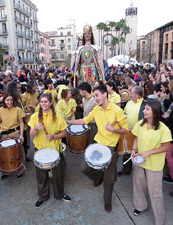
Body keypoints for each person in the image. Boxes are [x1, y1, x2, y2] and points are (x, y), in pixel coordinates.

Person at [67, 85, 128, 213]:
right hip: (98, 143)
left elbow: (125, 130)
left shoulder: (117, 110)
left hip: (111, 147)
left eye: (97, 96)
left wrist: (113, 130)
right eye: (94, 96)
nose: (95, 99)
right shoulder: (96, 110)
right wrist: (68, 122)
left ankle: (107, 201)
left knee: (109, 178)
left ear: (105, 94)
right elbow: (85, 120)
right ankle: (97, 177)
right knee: (84, 167)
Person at [131, 100, 172, 225]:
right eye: (144, 108)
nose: (144, 111)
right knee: (138, 186)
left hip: (154, 165)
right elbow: (136, 138)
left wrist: (148, 153)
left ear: (155, 112)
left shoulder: (163, 129)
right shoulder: (140, 124)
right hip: (140, 162)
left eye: (147, 109)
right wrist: (133, 149)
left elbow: (166, 147)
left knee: (155, 193)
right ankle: (140, 206)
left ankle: (159, 220)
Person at [28, 93, 71, 208]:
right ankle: (43, 196)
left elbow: (64, 132)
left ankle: (60, 194)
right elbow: (31, 135)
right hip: (40, 151)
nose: (43, 104)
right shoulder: (35, 117)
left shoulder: (58, 116)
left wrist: (53, 136)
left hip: (55, 150)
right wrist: (36, 128)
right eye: (41, 102)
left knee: (59, 175)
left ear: (51, 102)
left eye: (46, 102)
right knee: (41, 177)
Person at [0, 93, 25, 179]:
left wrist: (21, 135)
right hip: (4, 133)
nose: (9, 102)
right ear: (4, 101)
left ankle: (20, 168)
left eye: (11, 100)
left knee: (18, 152)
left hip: (15, 133)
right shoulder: (0, 110)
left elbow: (21, 122)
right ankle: (5, 170)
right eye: (7, 100)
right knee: (4, 154)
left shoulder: (18, 109)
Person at [118, 86, 146, 176]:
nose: (130, 94)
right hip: (128, 132)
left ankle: (141, 173)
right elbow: (125, 113)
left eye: (132, 93)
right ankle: (126, 170)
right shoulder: (129, 102)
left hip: (139, 134)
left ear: (137, 95)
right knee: (126, 152)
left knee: (139, 152)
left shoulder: (145, 105)